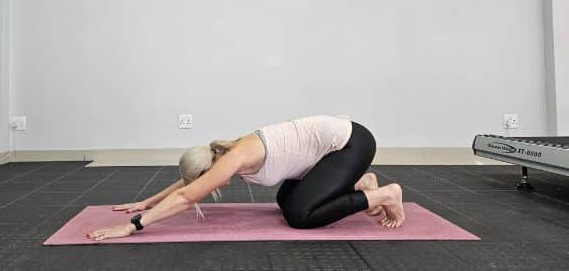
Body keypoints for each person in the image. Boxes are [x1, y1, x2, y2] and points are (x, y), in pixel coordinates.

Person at [87, 115, 404, 241]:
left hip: (352, 144)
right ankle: (360, 184)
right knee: (286, 199)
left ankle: (384, 194)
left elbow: (187, 196)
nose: (211, 187)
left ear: (210, 170)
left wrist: (134, 225)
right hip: (332, 151)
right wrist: (147, 200)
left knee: (300, 214)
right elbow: (190, 185)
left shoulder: (235, 157)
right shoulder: (222, 155)